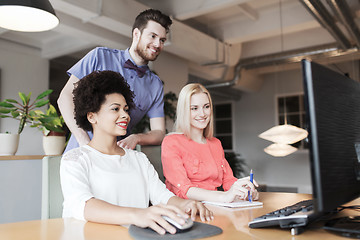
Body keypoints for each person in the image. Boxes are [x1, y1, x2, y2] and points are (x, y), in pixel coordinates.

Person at [60, 71, 213, 235]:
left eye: (126, 109)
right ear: (92, 116)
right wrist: (138, 214)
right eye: (115, 109)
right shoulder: (75, 159)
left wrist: (185, 204)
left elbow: (161, 195)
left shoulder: (138, 159)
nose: (125, 115)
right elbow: (83, 205)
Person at [58, 9, 172, 153]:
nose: (157, 44)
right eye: (153, 36)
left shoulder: (155, 84)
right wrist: (84, 141)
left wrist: (137, 138)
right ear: (136, 34)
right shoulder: (99, 56)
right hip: (81, 153)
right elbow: (65, 97)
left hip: (118, 158)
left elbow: (159, 132)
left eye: (162, 40)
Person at [161, 83, 259, 203]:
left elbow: (228, 180)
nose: (202, 114)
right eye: (194, 108)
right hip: (186, 211)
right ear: (184, 111)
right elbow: (184, 189)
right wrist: (223, 197)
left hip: (215, 206)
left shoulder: (215, 144)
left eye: (206, 107)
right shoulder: (171, 142)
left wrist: (244, 189)